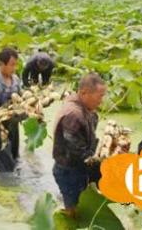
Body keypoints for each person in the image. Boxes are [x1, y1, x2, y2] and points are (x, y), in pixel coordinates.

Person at [52, 73, 107, 217]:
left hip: (77, 167)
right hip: (69, 170)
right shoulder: (74, 115)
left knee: (81, 207)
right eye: (99, 96)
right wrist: (102, 161)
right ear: (84, 93)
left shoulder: (85, 108)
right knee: (74, 212)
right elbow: (77, 151)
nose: (101, 101)